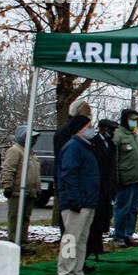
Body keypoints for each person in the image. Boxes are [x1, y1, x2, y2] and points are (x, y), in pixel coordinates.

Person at [56, 116, 99, 275]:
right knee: (70, 239)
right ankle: (65, 273)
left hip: (87, 201)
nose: (92, 129)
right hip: (76, 202)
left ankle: (77, 272)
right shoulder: (73, 147)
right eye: (89, 126)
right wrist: (74, 199)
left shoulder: (85, 148)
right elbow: (68, 174)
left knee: (81, 240)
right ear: (80, 129)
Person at [0, 125, 41, 250]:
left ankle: (23, 240)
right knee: (15, 218)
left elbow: (35, 173)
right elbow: (8, 168)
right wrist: (7, 185)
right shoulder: (15, 150)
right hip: (17, 191)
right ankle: (14, 242)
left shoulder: (31, 153)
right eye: (31, 138)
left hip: (30, 192)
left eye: (35, 138)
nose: (34, 141)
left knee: (25, 218)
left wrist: (38, 188)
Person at [52, 98, 91, 229]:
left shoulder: (84, 131)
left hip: (83, 185)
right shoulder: (66, 132)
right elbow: (66, 165)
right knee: (71, 229)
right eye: (87, 112)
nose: (90, 115)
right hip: (71, 185)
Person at [112, 108, 138, 245]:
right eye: (132, 120)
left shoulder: (134, 136)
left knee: (133, 209)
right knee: (123, 208)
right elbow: (114, 159)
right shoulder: (118, 135)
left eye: (137, 120)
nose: (135, 123)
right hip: (125, 179)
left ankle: (128, 234)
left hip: (137, 179)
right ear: (125, 120)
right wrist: (116, 179)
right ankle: (119, 236)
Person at [87, 119, 118, 257]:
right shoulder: (93, 143)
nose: (113, 133)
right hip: (96, 186)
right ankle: (92, 246)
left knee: (104, 217)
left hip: (107, 187)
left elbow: (113, 167)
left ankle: (98, 245)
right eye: (111, 130)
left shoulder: (111, 145)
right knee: (95, 218)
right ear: (103, 129)